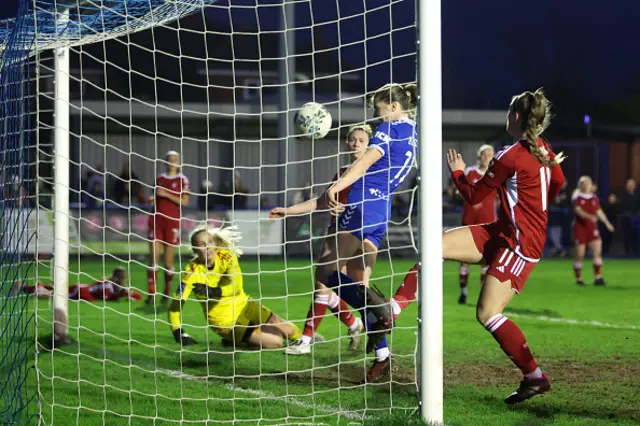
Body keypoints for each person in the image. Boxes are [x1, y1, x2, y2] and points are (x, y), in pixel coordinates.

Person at [443, 89, 565, 404]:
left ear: (515, 117)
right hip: (504, 231)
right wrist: (540, 210)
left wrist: (457, 172)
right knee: (434, 245)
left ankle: (535, 377)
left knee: (487, 312)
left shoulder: (508, 155)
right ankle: (392, 308)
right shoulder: (545, 149)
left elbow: (472, 196)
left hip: (519, 243)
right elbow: (560, 182)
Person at [310, 83, 417, 383]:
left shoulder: (389, 129)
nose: (376, 116)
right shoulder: (413, 133)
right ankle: (382, 356)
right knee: (358, 281)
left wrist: (337, 187)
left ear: (394, 107)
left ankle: (378, 310)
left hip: (362, 203)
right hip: (380, 210)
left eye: (378, 109)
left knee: (325, 270)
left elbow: (363, 164)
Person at [270, 124, 373, 355]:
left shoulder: (374, 171)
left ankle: (309, 340)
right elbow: (320, 202)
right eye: (352, 139)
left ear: (369, 145)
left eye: (361, 140)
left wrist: (350, 209)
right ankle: (353, 326)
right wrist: (288, 210)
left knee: (346, 288)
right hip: (338, 232)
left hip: (360, 234)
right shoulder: (342, 173)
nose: (355, 143)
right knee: (327, 286)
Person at [168, 225, 305, 349]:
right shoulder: (191, 272)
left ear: (215, 244)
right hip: (225, 320)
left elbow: (237, 287)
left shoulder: (227, 257)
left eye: (210, 242)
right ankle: (234, 340)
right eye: (202, 245)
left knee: (287, 330)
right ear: (195, 249)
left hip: (244, 305)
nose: (208, 247)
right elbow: (176, 305)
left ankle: (307, 338)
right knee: (276, 342)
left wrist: (213, 291)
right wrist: (177, 332)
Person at [146, 151, 190, 305]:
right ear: (166, 162)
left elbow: (184, 202)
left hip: (172, 222)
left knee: (168, 262)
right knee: (153, 259)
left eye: (175, 159)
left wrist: (166, 194)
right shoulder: (159, 178)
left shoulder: (182, 180)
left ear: (179, 162)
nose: (172, 161)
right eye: (169, 159)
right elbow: (154, 197)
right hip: (156, 220)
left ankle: (166, 292)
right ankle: (151, 294)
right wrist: (152, 199)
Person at [458, 144, 496, 304]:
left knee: (486, 260)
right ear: (479, 156)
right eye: (484, 154)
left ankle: (482, 295)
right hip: (469, 221)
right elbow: (462, 190)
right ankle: (463, 292)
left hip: (488, 222)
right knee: (464, 259)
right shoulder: (470, 172)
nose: (487, 157)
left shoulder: (495, 175)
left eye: (490, 154)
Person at [571, 176, 615, 286]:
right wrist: (590, 217)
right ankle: (579, 278)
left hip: (592, 228)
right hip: (580, 227)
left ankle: (598, 277)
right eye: (584, 183)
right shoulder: (577, 197)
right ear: (580, 185)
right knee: (580, 254)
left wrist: (607, 223)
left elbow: (599, 211)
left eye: (588, 183)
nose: (586, 185)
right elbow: (578, 210)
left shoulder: (594, 198)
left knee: (597, 252)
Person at [20, 267, 140, 301]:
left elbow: (136, 296)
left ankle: (32, 287)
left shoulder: (114, 285)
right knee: (58, 296)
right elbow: (106, 296)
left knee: (58, 290)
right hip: (82, 291)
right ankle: (37, 290)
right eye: (121, 277)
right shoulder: (107, 285)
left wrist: (130, 295)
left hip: (82, 289)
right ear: (116, 277)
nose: (123, 279)